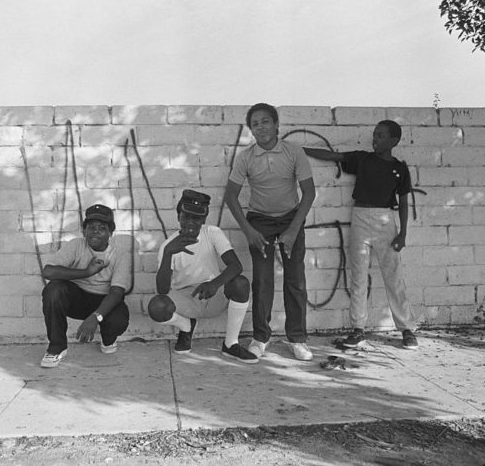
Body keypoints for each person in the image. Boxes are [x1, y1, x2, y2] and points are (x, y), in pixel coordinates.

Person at [303, 120, 418, 349]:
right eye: (374, 135)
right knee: (358, 275)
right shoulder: (363, 159)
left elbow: (404, 204)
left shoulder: (400, 168)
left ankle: (407, 329)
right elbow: (332, 156)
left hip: (386, 220)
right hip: (360, 217)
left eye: (381, 136)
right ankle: (358, 329)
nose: (375, 139)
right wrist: (301, 150)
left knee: (393, 276)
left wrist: (403, 233)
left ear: (394, 141)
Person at [224, 103, 317, 361]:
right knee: (263, 281)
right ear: (250, 130)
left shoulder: (293, 151)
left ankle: (297, 339)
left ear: (276, 124)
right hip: (260, 221)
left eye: (265, 121)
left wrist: (293, 230)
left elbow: (309, 192)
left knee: (295, 280)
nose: (261, 127)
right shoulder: (245, 157)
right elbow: (231, 196)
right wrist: (249, 231)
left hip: (291, 218)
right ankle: (260, 337)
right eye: (255, 124)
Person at [148, 190, 258, 363]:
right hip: (186, 298)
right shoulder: (168, 246)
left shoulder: (212, 233)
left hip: (211, 293)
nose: (191, 223)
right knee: (157, 306)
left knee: (241, 284)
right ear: (178, 216)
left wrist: (214, 284)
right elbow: (162, 290)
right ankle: (186, 326)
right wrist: (169, 253)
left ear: (204, 220)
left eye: (197, 218)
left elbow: (236, 266)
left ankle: (230, 344)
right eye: (186, 217)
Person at [40, 204, 131, 368]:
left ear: (110, 233)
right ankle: (56, 347)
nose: (96, 231)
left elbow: (117, 292)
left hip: (104, 301)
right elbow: (48, 272)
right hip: (78, 299)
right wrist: (87, 272)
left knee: (118, 320)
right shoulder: (76, 245)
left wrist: (95, 317)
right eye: (91, 227)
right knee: (53, 289)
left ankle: (107, 338)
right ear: (84, 231)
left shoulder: (120, 254)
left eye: (102, 228)